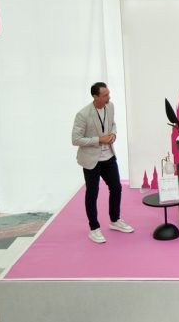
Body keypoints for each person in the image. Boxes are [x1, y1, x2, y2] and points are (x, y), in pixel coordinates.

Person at [71, 82, 134, 243]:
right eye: (105, 95)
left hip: (108, 157)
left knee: (116, 187)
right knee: (92, 193)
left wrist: (113, 134)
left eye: (109, 94)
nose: (109, 97)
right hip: (91, 160)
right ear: (95, 96)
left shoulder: (110, 106)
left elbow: (112, 124)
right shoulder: (83, 114)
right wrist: (99, 139)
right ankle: (94, 228)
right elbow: (75, 139)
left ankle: (115, 220)